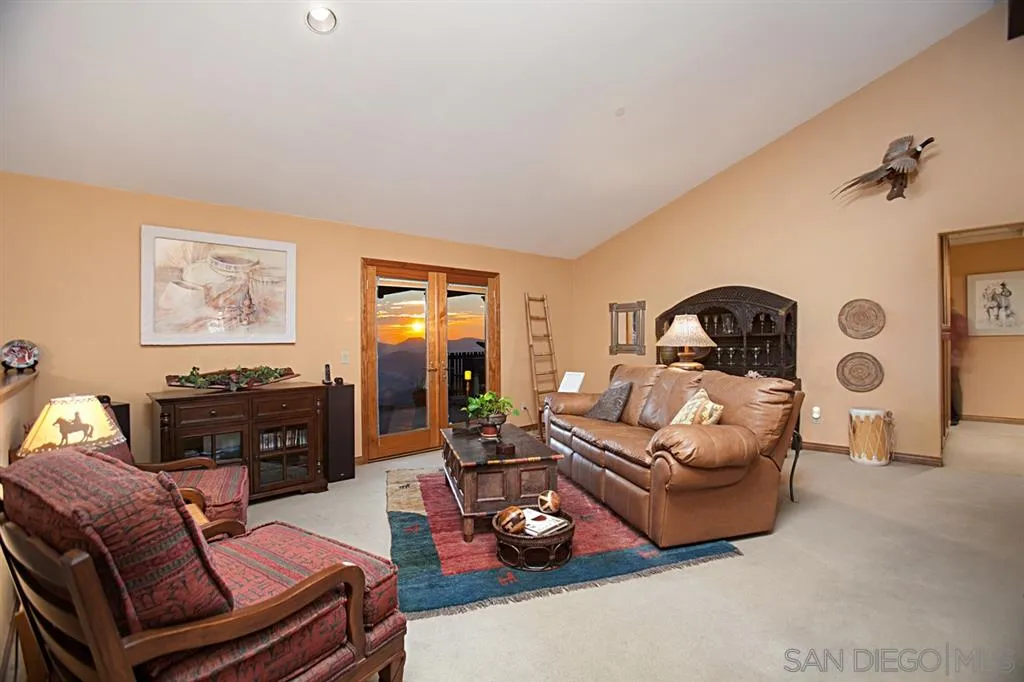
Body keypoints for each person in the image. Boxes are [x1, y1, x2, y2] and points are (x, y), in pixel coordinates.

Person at [950, 308, 967, 426]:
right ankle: (953, 415)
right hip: (950, 354)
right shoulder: (953, 318)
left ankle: (955, 415)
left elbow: (962, 337)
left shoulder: (956, 318)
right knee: (952, 385)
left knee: (953, 385)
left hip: (952, 355)